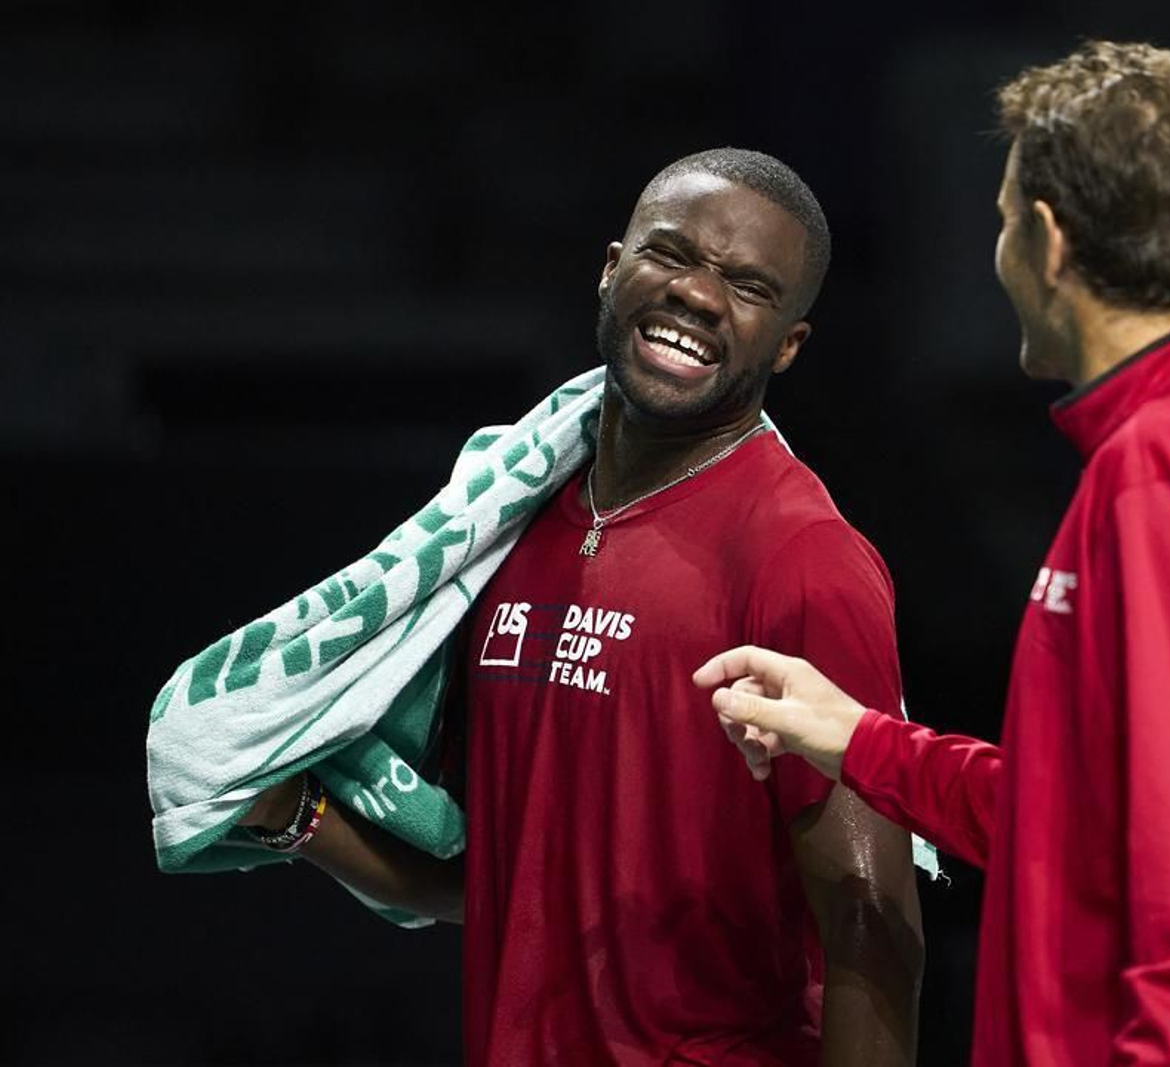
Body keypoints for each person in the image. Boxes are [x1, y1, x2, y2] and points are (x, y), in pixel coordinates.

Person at [695, 42, 1170, 1065]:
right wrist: (860, 740)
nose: (1001, 252)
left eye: (1006, 220)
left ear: (1050, 240)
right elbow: (1090, 824)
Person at [242, 148, 924, 1065]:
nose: (698, 296)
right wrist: (295, 817)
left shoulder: (803, 559)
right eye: (673, 254)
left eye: (749, 286)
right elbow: (506, 877)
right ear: (612, 269)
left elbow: (870, 920)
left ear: (788, 345)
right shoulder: (503, 525)